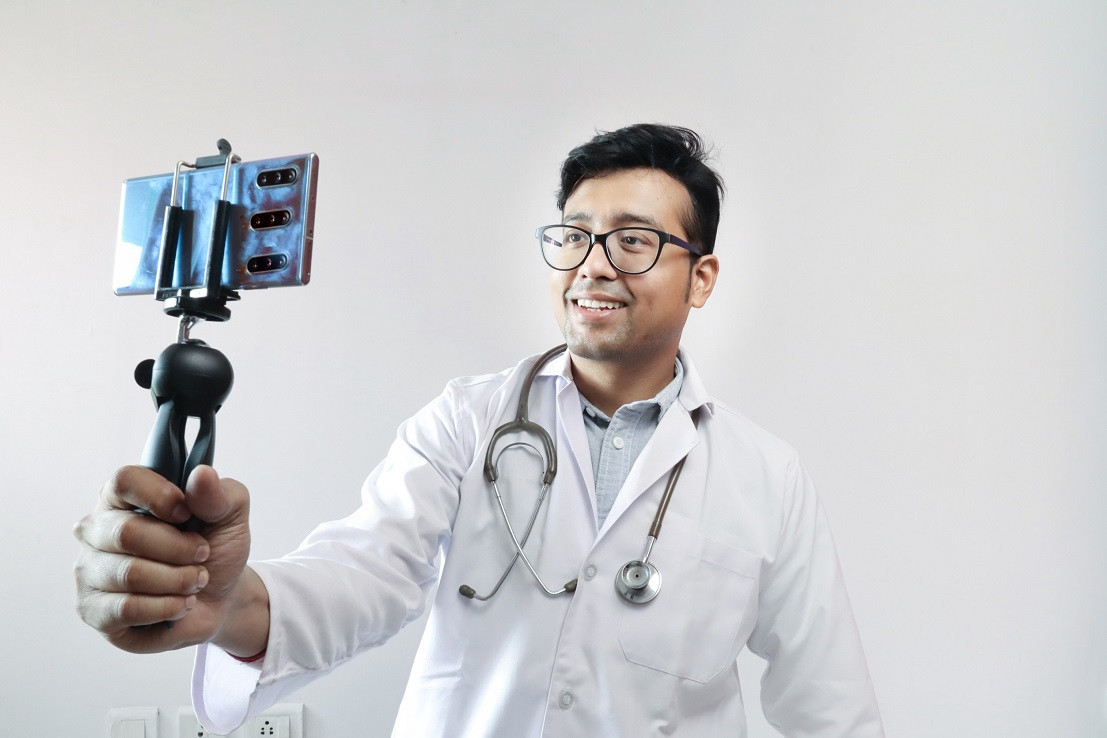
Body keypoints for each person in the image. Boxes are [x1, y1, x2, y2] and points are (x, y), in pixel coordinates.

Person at [74, 124, 885, 736]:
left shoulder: (765, 475)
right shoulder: (467, 420)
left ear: (699, 278)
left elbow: (830, 705)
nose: (592, 264)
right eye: (574, 236)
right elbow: (365, 574)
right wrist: (225, 605)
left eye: (633, 242)